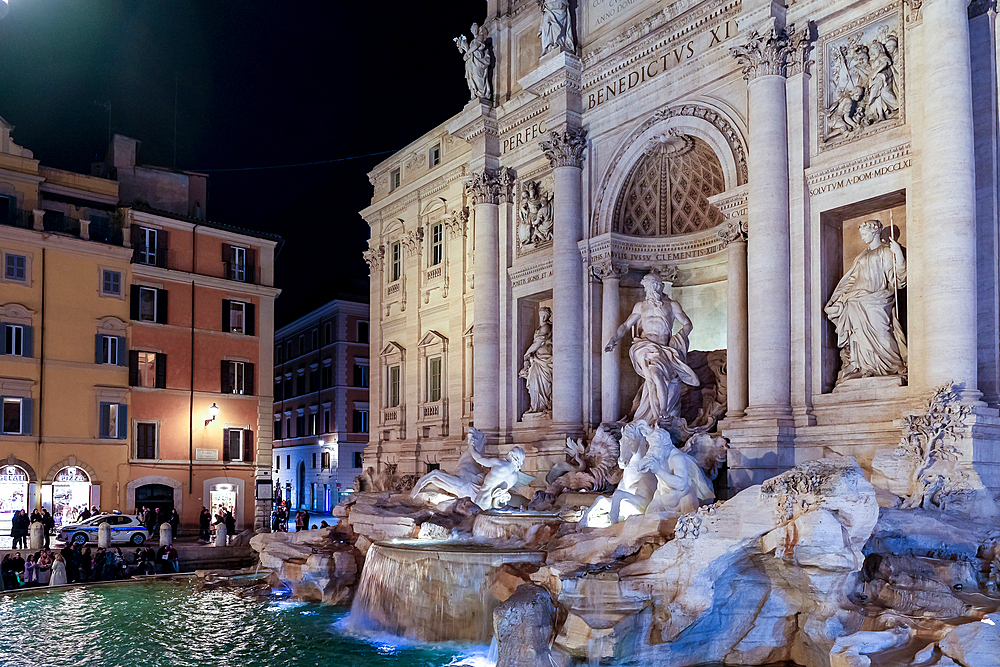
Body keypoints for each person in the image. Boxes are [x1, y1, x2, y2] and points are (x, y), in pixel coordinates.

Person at [605, 271, 700, 424]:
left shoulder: (672, 305)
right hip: (644, 347)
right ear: (645, 288)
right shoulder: (640, 306)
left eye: (655, 285)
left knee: (653, 380)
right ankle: (662, 411)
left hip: (663, 349)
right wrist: (614, 339)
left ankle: (659, 413)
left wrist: (680, 337)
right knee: (654, 377)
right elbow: (625, 325)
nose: (653, 289)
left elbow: (688, 324)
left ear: (661, 286)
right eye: (649, 286)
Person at [824, 219, 907, 384]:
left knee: (883, 332)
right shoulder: (861, 256)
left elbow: (898, 279)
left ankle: (892, 365)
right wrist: (838, 298)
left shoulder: (886, 251)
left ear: (875, 231)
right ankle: (865, 367)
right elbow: (852, 279)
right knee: (858, 335)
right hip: (855, 300)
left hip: (878, 299)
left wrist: (898, 254)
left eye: (865, 233)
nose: (862, 237)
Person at [519, 307, 553, 415]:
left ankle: (544, 405)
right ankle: (535, 406)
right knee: (534, 381)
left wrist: (527, 353)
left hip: (545, 359)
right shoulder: (539, 328)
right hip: (537, 359)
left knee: (544, 384)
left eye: (545, 315)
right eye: (541, 315)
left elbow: (538, 343)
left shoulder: (546, 327)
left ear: (548, 316)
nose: (543, 317)